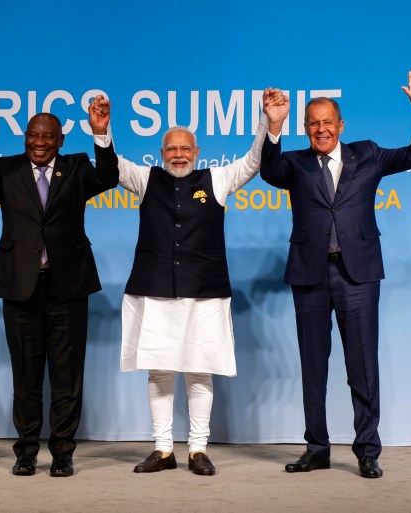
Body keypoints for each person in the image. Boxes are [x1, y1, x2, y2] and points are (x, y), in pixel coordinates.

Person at [261, 68, 411, 478]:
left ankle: (367, 451)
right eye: (313, 124)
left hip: (357, 275)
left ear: (341, 125)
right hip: (309, 275)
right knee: (313, 366)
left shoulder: (368, 154)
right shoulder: (294, 163)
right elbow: (269, 171)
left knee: (362, 366)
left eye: (328, 122)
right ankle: (317, 448)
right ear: (306, 128)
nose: (321, 129)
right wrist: (274, 125)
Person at [114, 90, 288, 476]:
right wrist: (102, 131)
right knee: (159, 371)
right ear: (161, 154)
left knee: (199, 370)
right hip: (155, 291)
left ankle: (197, 449)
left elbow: (254, 161)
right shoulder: (145, 179)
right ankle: (162, 449)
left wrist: (268, 121)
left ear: (196, 152)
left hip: (205, 293)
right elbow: (113, 165)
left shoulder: (218, 179)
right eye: (171, 149)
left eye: (185, 148)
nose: (178, 154)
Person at [0, 99, 118, 477]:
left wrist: (101, 133)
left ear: (61, 140)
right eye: (33, 135)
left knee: (67, 377)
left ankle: (63, 452)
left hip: (68, 287)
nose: (39, 142)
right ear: (25, 137)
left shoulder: (76, 168)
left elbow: (108, 177)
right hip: (20, 286)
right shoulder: (7, 168)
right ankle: (26, 451)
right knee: (26, 376)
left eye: (48, 137)